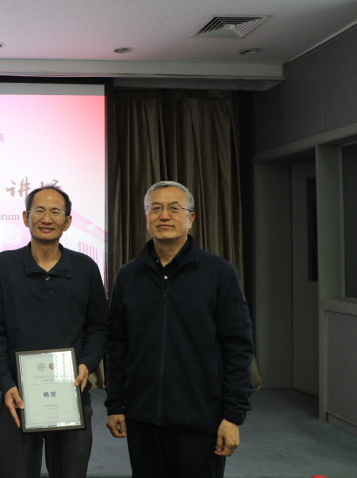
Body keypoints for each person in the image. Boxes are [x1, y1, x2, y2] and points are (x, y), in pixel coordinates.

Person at [104, 181, 254, 478]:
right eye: (156, 208)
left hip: (201, 421)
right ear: (146, 216)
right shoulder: (128, 275)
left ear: (191, 218)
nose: (164, 215)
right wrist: (115, 405)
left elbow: (238, 347)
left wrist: (233, 416)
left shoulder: (219, 273)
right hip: (142, 420)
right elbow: (117, 345)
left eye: (174, 208)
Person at [0, 184, 109, 478]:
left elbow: (98, 326)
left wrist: (86, 364)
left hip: (71, 394)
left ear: (67, 221)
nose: (47, 218)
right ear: (25, 217)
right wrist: (5, 383)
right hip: (17, 395)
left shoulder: (85, 268)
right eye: (39, 210)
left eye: (55, 212)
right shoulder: (4, 265)